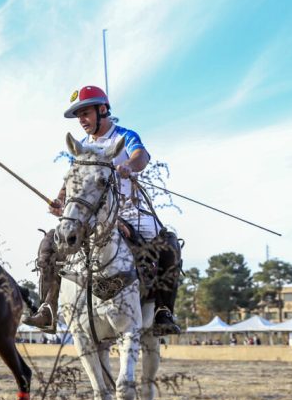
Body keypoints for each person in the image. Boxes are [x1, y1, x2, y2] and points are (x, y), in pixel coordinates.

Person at [23, 85, 182, 334]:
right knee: (48, 245)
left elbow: (141, 156)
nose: (82, 121)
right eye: (79, 117)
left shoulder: (124, 135)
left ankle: (163, 311)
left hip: (129, 212)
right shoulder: (82, 146)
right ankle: (48, 308)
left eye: (85, 113)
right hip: (91, 215)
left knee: (169, 244)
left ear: (103, 109)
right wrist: (59, 200)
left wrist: (129, 165)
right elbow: (73, 181)